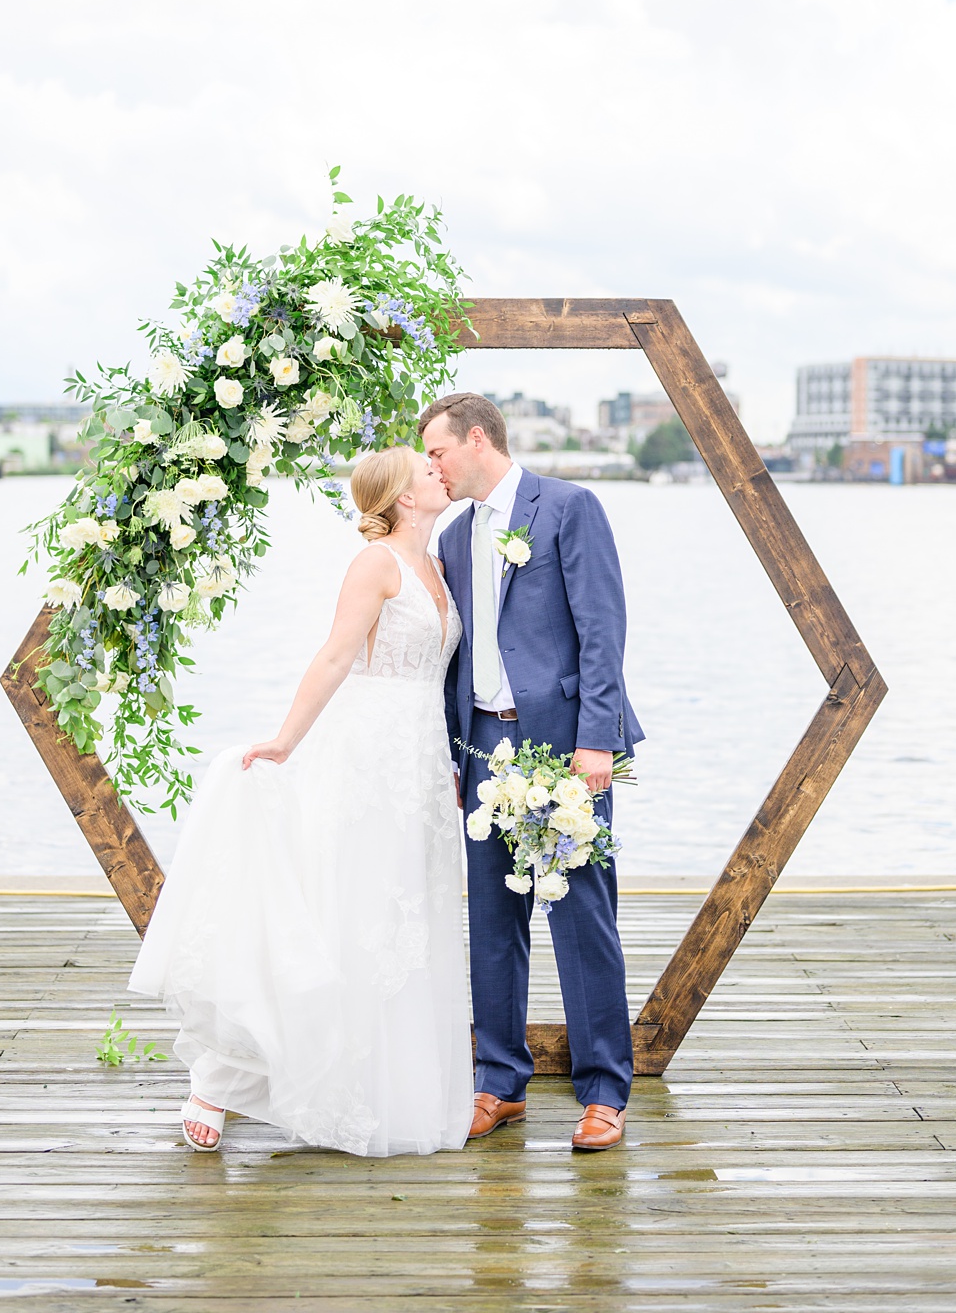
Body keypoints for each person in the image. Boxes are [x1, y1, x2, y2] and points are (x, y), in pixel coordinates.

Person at [127, 447, 473, 1156]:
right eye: (427, 470)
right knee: (339, 907)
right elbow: (335, 656)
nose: (441, 472)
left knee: (402, 917)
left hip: (422, 759)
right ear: (404, 498)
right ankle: (220, 1078)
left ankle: (376, 1089)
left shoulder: (437, 564)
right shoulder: (376, 564)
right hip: (368, 750)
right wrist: (286, 739)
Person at [422, 391, 642, 1153]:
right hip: (483, 747)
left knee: (582, 919)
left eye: (438, 453)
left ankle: (605, 1092)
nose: (432, 467)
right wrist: (453, 752)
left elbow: (602, 631)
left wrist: (596, 744)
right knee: (491, 921)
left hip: (561, 746)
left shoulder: (567, 508)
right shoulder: (451, 537)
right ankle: (499, 1082)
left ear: (477, 440)